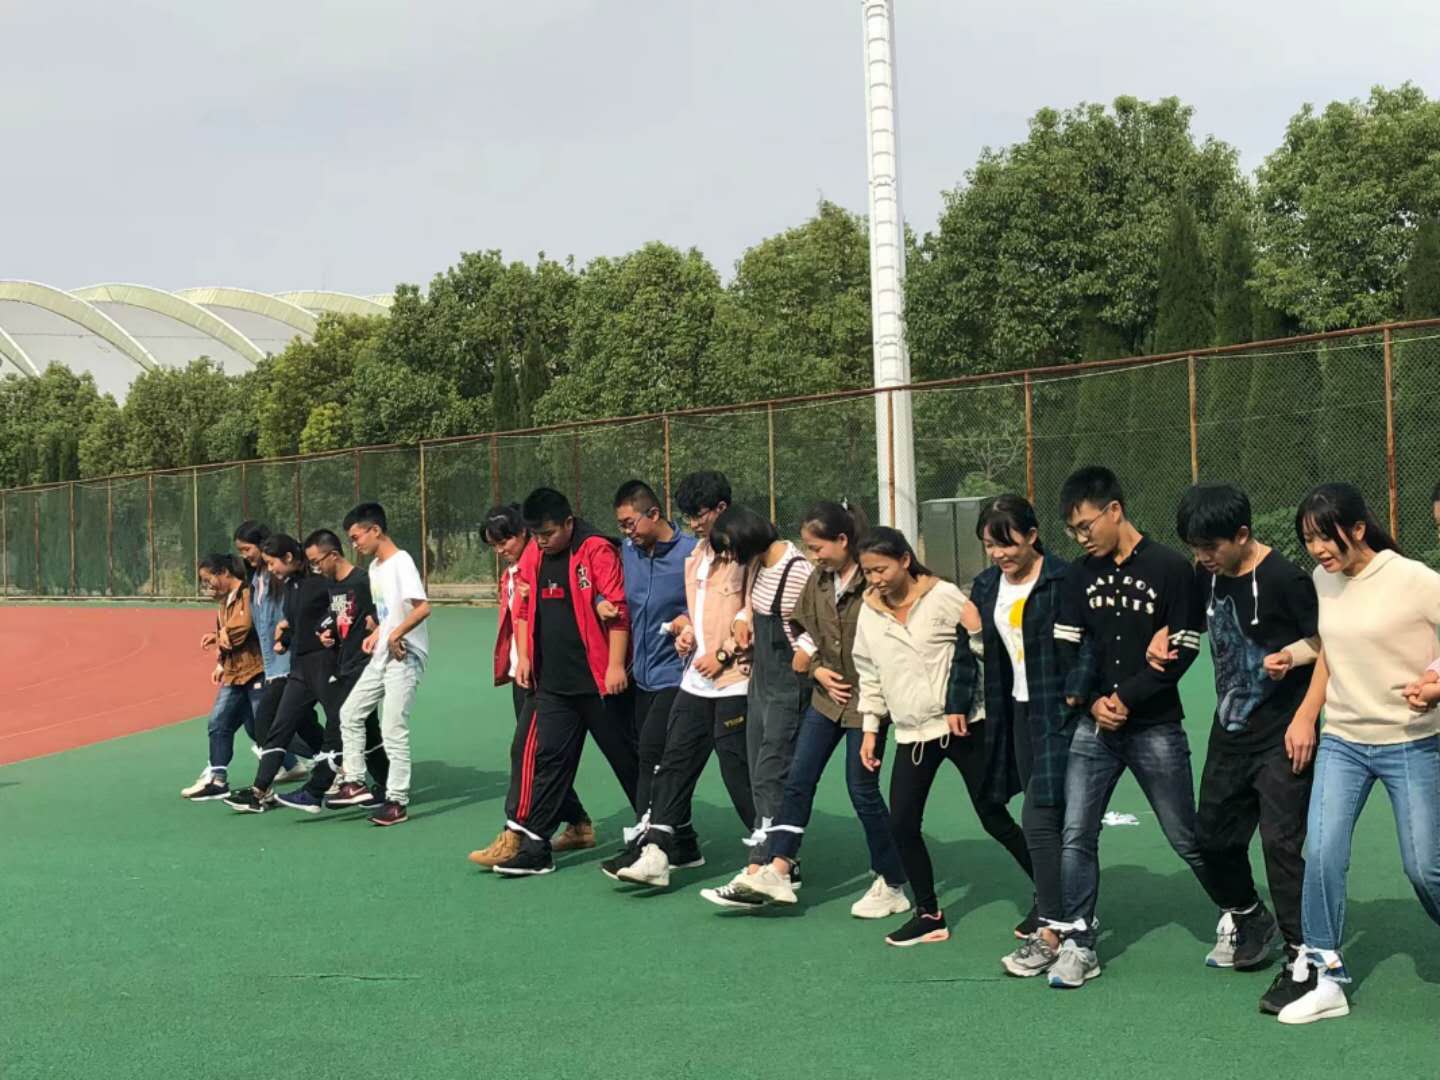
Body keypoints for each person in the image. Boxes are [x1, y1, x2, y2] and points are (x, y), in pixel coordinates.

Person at [1263, 484, 1440, 1025]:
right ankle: (1327, 979)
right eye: (1308, 539)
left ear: (1358, 530)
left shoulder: (1414, 579)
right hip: (1343, 740)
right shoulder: (1325, 580)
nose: (1317, 549)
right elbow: (1331, 647)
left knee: (1424, 867)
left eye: (1325, 536)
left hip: (1410, 740)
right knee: (1322, 853)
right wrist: (1294, 664)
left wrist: (1436, 684)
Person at [1046, 466, 1227, 990]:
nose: (1081, 538)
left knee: (1185, 835)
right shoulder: (1078, 575)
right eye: (1073, 531)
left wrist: (1126, 697)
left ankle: (1241, 913)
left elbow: (1183, 650)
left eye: (1085, 526)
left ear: (1114, 510)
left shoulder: (1170, 568)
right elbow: (1066, 647)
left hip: (1155, 727)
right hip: (1095, 728)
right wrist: (1094, 704)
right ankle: (1079, 941)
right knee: (1076, 833)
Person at [1150, 485, 1317, 1015]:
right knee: (1212, 837)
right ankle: (1250, 916)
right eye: (1195, 547)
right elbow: (1191, 622)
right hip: (1230, 732)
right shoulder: (1207, 574)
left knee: (1280, 844)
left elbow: (1327, 643)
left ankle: (1303, 956)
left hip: (1283, 734)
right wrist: (1163, 634)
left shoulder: (1286, 579)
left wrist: (1295, 669)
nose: (1202, 557)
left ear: (1242, 535)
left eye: (1210, 546)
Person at [723, 500, 911, 919]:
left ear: (842, 540)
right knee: (798, 780)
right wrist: (818, 669)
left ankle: (892, 881)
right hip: (826, 701)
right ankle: (778, 869)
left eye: (816, 547)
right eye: (808, 548)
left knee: (861, 791)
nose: (812, 556)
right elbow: (803, 629)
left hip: (866, 706)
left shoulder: (873, 581)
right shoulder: (820, 580)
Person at [851, 526, 1030, 947]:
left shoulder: (943, 595)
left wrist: (977, 632)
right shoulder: (868, 611)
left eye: (881, 569)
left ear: (905, 560)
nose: (875, 579)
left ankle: (1054, 898)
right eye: (868, 572)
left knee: (993, 816)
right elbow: (869, 674)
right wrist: (871, 729)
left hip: (964, 726)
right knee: (902, 824)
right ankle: (929, 913)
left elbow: (985, 651)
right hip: (912, 734)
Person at [947, 495, 1081, 976]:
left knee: (1041, 816)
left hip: (1061, 711)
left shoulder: (1064, 579)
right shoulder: (987, 585)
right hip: (1015, 710)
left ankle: (1054, 926)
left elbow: (1087, 644)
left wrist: (1079, 691)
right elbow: (969, 647)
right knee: (1045, 815)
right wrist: (957, 701)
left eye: (1007, 543)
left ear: (1033, 535)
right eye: (990, 545)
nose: (999, 554)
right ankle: (1063, 911)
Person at [609, 470, 755, 888]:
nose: (693, 524)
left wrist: (722, 653)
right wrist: (686, 629)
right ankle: (656, 853)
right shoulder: (698, 557)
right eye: (688, 516)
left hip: (735, 680)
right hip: (695, 679)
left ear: (722, 509)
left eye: (699, 515)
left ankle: (776, 856)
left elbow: (753, 611)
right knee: (672, 761)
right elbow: (697, 611)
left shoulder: (747, 555)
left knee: (738, 773)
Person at [490, 488, 637, 874]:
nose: (542, 541)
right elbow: (523, 608)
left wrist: (616, 666)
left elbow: (618, 610)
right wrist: (525, 657)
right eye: (536, 535)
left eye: (549, 533)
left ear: (569, 523)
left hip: (599, 684)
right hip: (554, 686)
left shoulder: (595, 549)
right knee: (550, 762)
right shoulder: (535, 553)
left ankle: (664, 835)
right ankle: (536, 848)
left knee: (628, 761)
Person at [688, 505, 813, 908]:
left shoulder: (796, 569)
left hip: (789, 684)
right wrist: (743, 620)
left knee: (773, 773)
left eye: (728, 548)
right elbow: (752, 606)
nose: (728, 556)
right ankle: (762, 865)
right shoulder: (760, 565)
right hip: (761, 680)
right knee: (759, 773)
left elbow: (820, 622)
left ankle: (772, 866)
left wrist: (806, 650)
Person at [469, 504, 594, 867]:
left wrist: (530, 660)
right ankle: (579, 823)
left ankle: (516, 832)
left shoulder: (540, 565)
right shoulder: (511, 573)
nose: (501, 550)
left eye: (505, 541)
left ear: (524, 532)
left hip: (547, 678)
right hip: (521, 676)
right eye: (494, 545)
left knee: (525, 754)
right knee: (540, 757)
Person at [329, 502, 433, 827]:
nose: (354, 544)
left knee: (392, 728)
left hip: (406, 654)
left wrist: (396, 634)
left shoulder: (402, 562)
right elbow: (387, 612)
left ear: (375, 530)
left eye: (357, 537)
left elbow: (422, 608)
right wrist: (378, 632)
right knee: (350, 713)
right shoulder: (374, 568)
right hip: (384, 653)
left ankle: (397, 801)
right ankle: (355, 782)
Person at [274, 529, 391, 813]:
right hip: (343, 662)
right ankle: (388, 787)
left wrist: (377, 628)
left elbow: (385, 614)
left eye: (317, 562)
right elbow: (339, 618)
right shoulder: (333, 586)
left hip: (365, 665)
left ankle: (315, 791)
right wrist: (328, 633)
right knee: (368, 731)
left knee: (337, 724)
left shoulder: (363, 581)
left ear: (334, 555)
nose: (315, 568)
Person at [612, 480, 696, 847]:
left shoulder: (692, 553)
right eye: (621, 526)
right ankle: (684, 841)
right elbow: (615, 591)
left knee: (651, 753)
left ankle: (645, 842)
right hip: (641, 677)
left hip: (677, 675)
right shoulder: (628, 551)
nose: (626, 532)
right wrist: (601, 601)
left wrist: (687, 621)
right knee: (646, 753)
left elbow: (710, 603)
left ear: (654, 513)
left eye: (630, 523)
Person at [223, 534, 332, 813]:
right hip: (297, 668)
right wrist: (284, 638)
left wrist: (326, 632)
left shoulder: (318, 585)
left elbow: (332, 615)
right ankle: (259, 793)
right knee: (277, 725)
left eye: (273, 563)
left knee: (348, 728)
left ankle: (372, 785)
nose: (270, 569)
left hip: (323, 666)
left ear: (288, 557)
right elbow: (296, 621)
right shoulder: (290, 585)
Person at [180, 554, 267, 801]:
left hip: (256, 670)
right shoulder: (224, 601)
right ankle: (218, 779)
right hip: (235, 673)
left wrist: (221, 636)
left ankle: (325, 757)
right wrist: (220, 657)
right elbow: (227, 636)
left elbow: (242, 627)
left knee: (265, 728)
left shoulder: (247, 594)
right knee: (220, 723)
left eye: (209, 579)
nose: (207, 585)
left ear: (224, 573)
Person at [232, 521, 306, 783]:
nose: (245, 556)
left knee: (266, 721)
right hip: (272, 663)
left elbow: (293, 614)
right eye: (241, 551)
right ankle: (331, 760)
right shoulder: (256, 580)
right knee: (302, 723)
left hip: (289, 660)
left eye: (247, 549)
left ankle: (263, 787)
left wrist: (284, 635)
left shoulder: (281, 579)